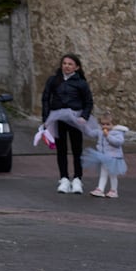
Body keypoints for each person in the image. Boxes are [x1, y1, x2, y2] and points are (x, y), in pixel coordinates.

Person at [40, 53, 94, 194]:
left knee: (77, 149)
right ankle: (63, 178)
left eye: (70, 64)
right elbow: (46, 98)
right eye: (64, 63)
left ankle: (77, 179)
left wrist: (84, 116)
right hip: (57, 118)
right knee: (61, 149)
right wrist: (46, 118)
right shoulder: (53, 80)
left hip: (75, 119)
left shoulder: (81, 83)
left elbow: (88, 102)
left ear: (76, 67)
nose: (67, 66)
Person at [85, 115, 128, 199]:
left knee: (112, 174)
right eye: (102, 124)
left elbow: (118, 142)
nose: (104, 126)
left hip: (113, 157)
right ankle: (100, 189)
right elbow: (90, 133)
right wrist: (84, 125)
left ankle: (114, 190)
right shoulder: (100, 131)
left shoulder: (117, 132)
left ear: (113, 125)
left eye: (108, 124)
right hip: (103, 157)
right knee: (103, 174)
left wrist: (108, 136)